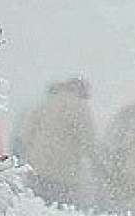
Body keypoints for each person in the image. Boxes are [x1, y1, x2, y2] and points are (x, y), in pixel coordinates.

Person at [20, 77, 99, 206]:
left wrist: (33, 156)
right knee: (59, 210)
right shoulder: (80, 108)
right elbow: (88, 143)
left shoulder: (43, 104)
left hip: (38, 170)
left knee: (37, 208)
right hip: (64, 173)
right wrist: (101, 166)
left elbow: (25, 135)